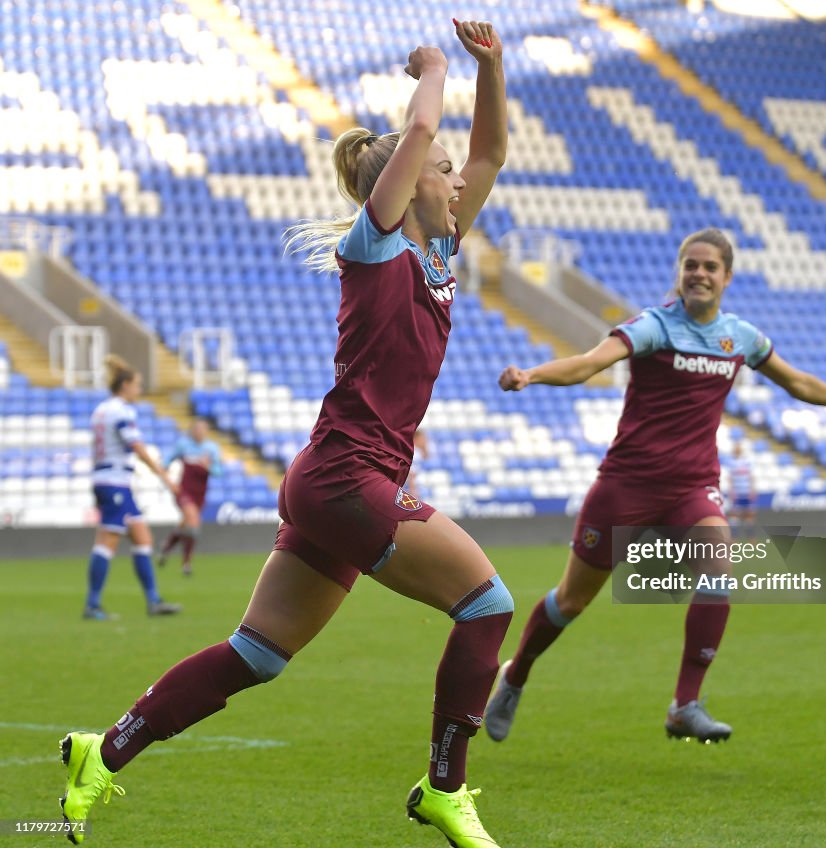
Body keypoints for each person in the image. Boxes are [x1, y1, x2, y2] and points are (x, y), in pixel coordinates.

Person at [58, 21, 509, 847]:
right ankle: (445, 787)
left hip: (331, 481)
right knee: (486, 603)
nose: (457, 183)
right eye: (440, 175)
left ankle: (103, 750)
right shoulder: (374, 249)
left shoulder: (439, 257)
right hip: (347, 479)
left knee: (258, 654)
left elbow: (487, 159)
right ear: (409, 191)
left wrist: (493, 69)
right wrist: (438, 70)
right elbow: (420, 133)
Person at [484, 228, 826, 745]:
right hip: (625, 487)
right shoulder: (654, 327)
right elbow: (590, 362)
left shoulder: (740, 337)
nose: (699, 273)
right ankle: (514, 676)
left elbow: (800, 383)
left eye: (709, 267)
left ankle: (685, 704)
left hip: (692, 488)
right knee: (571, 601)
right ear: (679, 273)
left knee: (719, 565)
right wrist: (532, 375)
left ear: (727, 277)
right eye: (690, 265)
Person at [82, 354, 182, 620]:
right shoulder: (121, 411)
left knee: (142, 538)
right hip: (114, 483)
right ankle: (92, 605)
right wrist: (165, 476)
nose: (139, 390)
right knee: (107, 542)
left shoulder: (101, 410)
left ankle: (153, 601)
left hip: (109, 480)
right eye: (137, 384)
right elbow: (137, 447)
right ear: (125, 384)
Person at [158, 417, 223, 576]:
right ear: (192, 431)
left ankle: (166, 546)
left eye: (203, 429)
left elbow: (218, 472)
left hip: (200, 494)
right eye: (197, 429)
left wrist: (208, 466)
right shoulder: (184, 445)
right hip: (184, 491)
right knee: (193, 522)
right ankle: (186, 564)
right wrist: (169, 482)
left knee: (186, 525)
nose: (199, 432)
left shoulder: (211, 448)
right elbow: (166, 462)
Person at [726, 440, 757, 539]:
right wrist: (731, 492)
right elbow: (730, 478)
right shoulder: (731, 462)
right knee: (734, 516)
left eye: (739, 448)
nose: (737, 449)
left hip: (746, 492)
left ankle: (751, 538)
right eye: (736, 448)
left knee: (749, 515)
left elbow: (751, 477)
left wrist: (752, 490)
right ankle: (734, 538)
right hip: (737, 493)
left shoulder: (747, 461)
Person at [406, 427, 431, 499]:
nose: (425, 441)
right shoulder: (415, 453)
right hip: (410, 487)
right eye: (423, 439)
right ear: (416, 439)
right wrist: (413, 491)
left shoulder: (418, 451)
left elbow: (426, 456)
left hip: (414, 485)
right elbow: (411, 474)